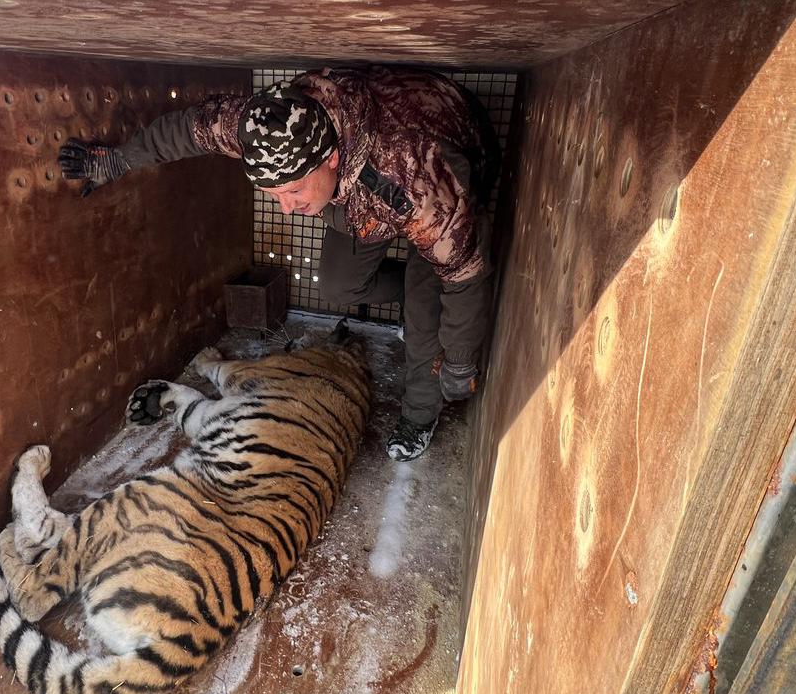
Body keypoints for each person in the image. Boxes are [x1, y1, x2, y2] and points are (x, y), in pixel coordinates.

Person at [59, 66, 497, 461]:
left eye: (295, 192)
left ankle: (420, 413)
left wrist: (459, 359)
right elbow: (186, 130)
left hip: (448, 151)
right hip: (357, 184)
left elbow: (465, 275)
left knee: (430, 312)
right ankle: (417, 301)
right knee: (340, 286)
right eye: (275, 195)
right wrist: (118, 161)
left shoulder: (418, 184)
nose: (285, 209)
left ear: (330, 160)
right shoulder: (266, 126)